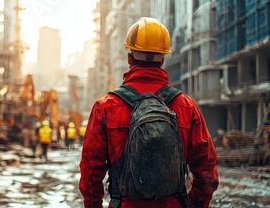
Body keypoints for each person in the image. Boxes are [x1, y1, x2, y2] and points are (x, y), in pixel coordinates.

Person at [79, 17, 219, 208]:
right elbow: (207, 172)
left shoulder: (106, 107)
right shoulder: (186, 107)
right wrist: (193, 204)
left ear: (130, 58)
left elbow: (90, 173)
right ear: (162, 59)